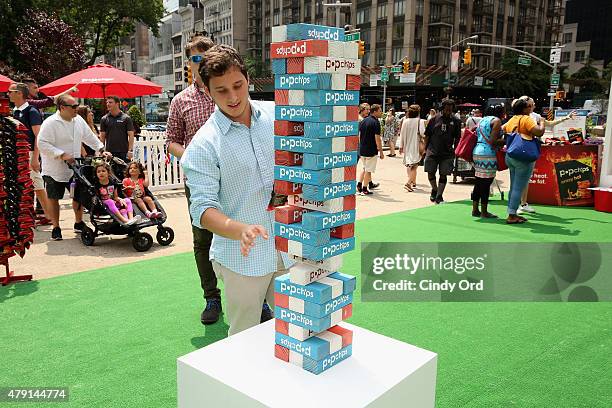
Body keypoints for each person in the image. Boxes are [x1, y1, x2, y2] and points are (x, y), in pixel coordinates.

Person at [181, 44, 291, 336]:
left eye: (237, 85)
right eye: (221, 90)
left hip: (288, 248)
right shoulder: (203, 145)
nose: (232, 97)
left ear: (247, 78)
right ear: (207, 91)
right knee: (245, 338)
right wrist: (238, 228)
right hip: (241, 259)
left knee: (297, 329)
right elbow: (202, 211)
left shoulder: (278, 116)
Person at [166, 35, 230, 325]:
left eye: (207, 54)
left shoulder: (228, 92)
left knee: (241, 232)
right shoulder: (181, 100)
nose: (201, 60)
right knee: (203, 239)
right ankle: (212, 297)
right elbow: (171, 142)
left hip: (233, 175)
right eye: (195, 57)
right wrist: (194, 158)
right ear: (188, 62)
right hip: (199, 180)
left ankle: (251, 296)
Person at [37, 94, 107, 241]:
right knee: (54, 197)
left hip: (74, 167)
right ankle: (56, 227)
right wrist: (61, 154)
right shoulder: (50, 123)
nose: (76, 108)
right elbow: (42, 144)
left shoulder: (78, 120)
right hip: (54, 168)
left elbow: (89, 137)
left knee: (79, 196)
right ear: (62, 108)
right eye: (73, 106)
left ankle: (78, 222)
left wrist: (101, 148)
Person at [515, 97, 576, 215]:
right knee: (519, 179)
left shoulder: (535, 116)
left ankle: (522, 204)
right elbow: (540, 131)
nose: (533, 106)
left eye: (532, 104)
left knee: (525, 179)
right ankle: (516, 206)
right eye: (531, 104)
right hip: (520, 150)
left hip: (528, 150)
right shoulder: (518, 118)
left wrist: (565, 118)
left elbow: (548, 124)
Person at [8, 83, 52, 223]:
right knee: (24, 185)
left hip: (30, 153)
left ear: (20, 94)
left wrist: (35, 158)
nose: (8, 94)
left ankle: (49, 215)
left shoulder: (31, 111)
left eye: (11, 91)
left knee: (37, 184)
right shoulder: (15, 111)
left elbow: (38, 136)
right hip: (19, 152)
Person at [501, 97, 545, 224]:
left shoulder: (512, 119)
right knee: (518, 188)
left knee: (513, 185)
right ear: (524, 109)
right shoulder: (526, 119)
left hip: (511, 155)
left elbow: (501, 130)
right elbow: (539, 132)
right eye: (528, 106)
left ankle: (511, 211)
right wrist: (542, 122)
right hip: (523, 157)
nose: (531, 108)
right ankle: (512, 215)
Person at [423, 98, 461, 204]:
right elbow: (427, 135)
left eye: (451, 109)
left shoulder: (456, 121)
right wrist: (424, 149)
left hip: (447, 153)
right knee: (430, 172)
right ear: (442, 108)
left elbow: (457, 138)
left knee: (443, 174)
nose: (449, 111)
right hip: (432, 150)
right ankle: (434, 189)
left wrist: (456, 150)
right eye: (447, 109)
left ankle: (439, 195)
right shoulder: (434, 119)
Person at [471, 104, 506, 219]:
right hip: (488, 154)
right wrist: (506, 139)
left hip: (477, 151)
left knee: (479, 182)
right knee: (486, 183)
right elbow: (492, 141)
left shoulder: (482, 120)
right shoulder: (496, 121)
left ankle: (475, 209)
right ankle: (484, 212)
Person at [357, 104, 384, 195]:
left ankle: (359, 185)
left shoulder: (363, 121)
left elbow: (360, 135)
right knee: (368, 170)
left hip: (362, 149)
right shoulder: (376, 122)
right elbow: (377, 138)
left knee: (365, 168)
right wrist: (381, 151)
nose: (381, 112)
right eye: (380, 111)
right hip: (371, 150)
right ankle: (365, 189)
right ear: (375, 111)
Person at [100, 95, 134, 163]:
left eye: (110, 102)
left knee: (124, 172)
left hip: (123, 152)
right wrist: (102, 151)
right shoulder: (104, 119)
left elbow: (131, 135)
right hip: (109, 153)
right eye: (107, 102)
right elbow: (102, 136)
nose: (108, 104)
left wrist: (130, 150)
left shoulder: (126, 118)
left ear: (117, 104)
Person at [399, 104, 426, 192]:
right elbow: (423, 133)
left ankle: (413, 181)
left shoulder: (405, 121)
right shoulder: (420, 121)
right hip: (416, 145)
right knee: (414, 165)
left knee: (409, 165)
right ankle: (409, 182)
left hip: (407, 146)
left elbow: (402, 134)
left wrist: (401, 146)